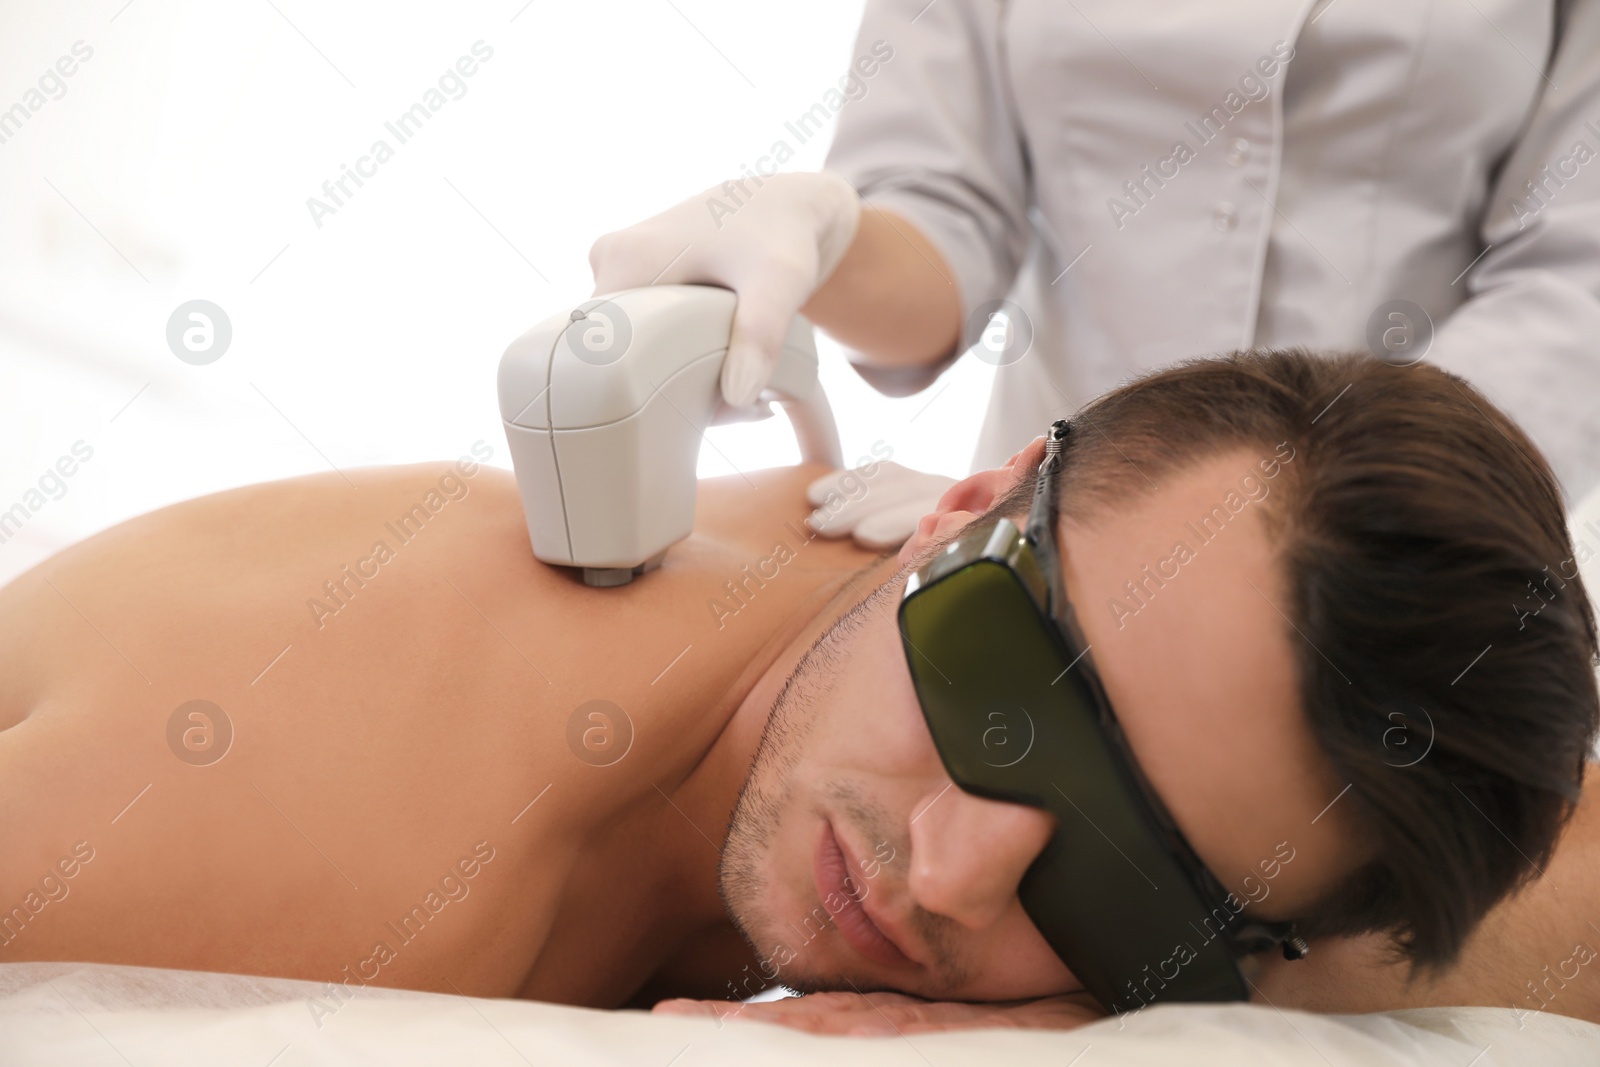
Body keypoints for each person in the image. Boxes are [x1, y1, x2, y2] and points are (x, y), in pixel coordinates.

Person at [0, 351, 1596, 1035]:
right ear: (968, 499)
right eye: (1011, 699)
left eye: (1128, 878)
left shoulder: (1193, 620)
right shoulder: (335, 846)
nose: (961, 871)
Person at [588, 0, 1600, 547]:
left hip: (1405, 535)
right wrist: (823, 239)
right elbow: (946, 220)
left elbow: (1571, 279)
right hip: (1030, 514)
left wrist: (1302, 522)